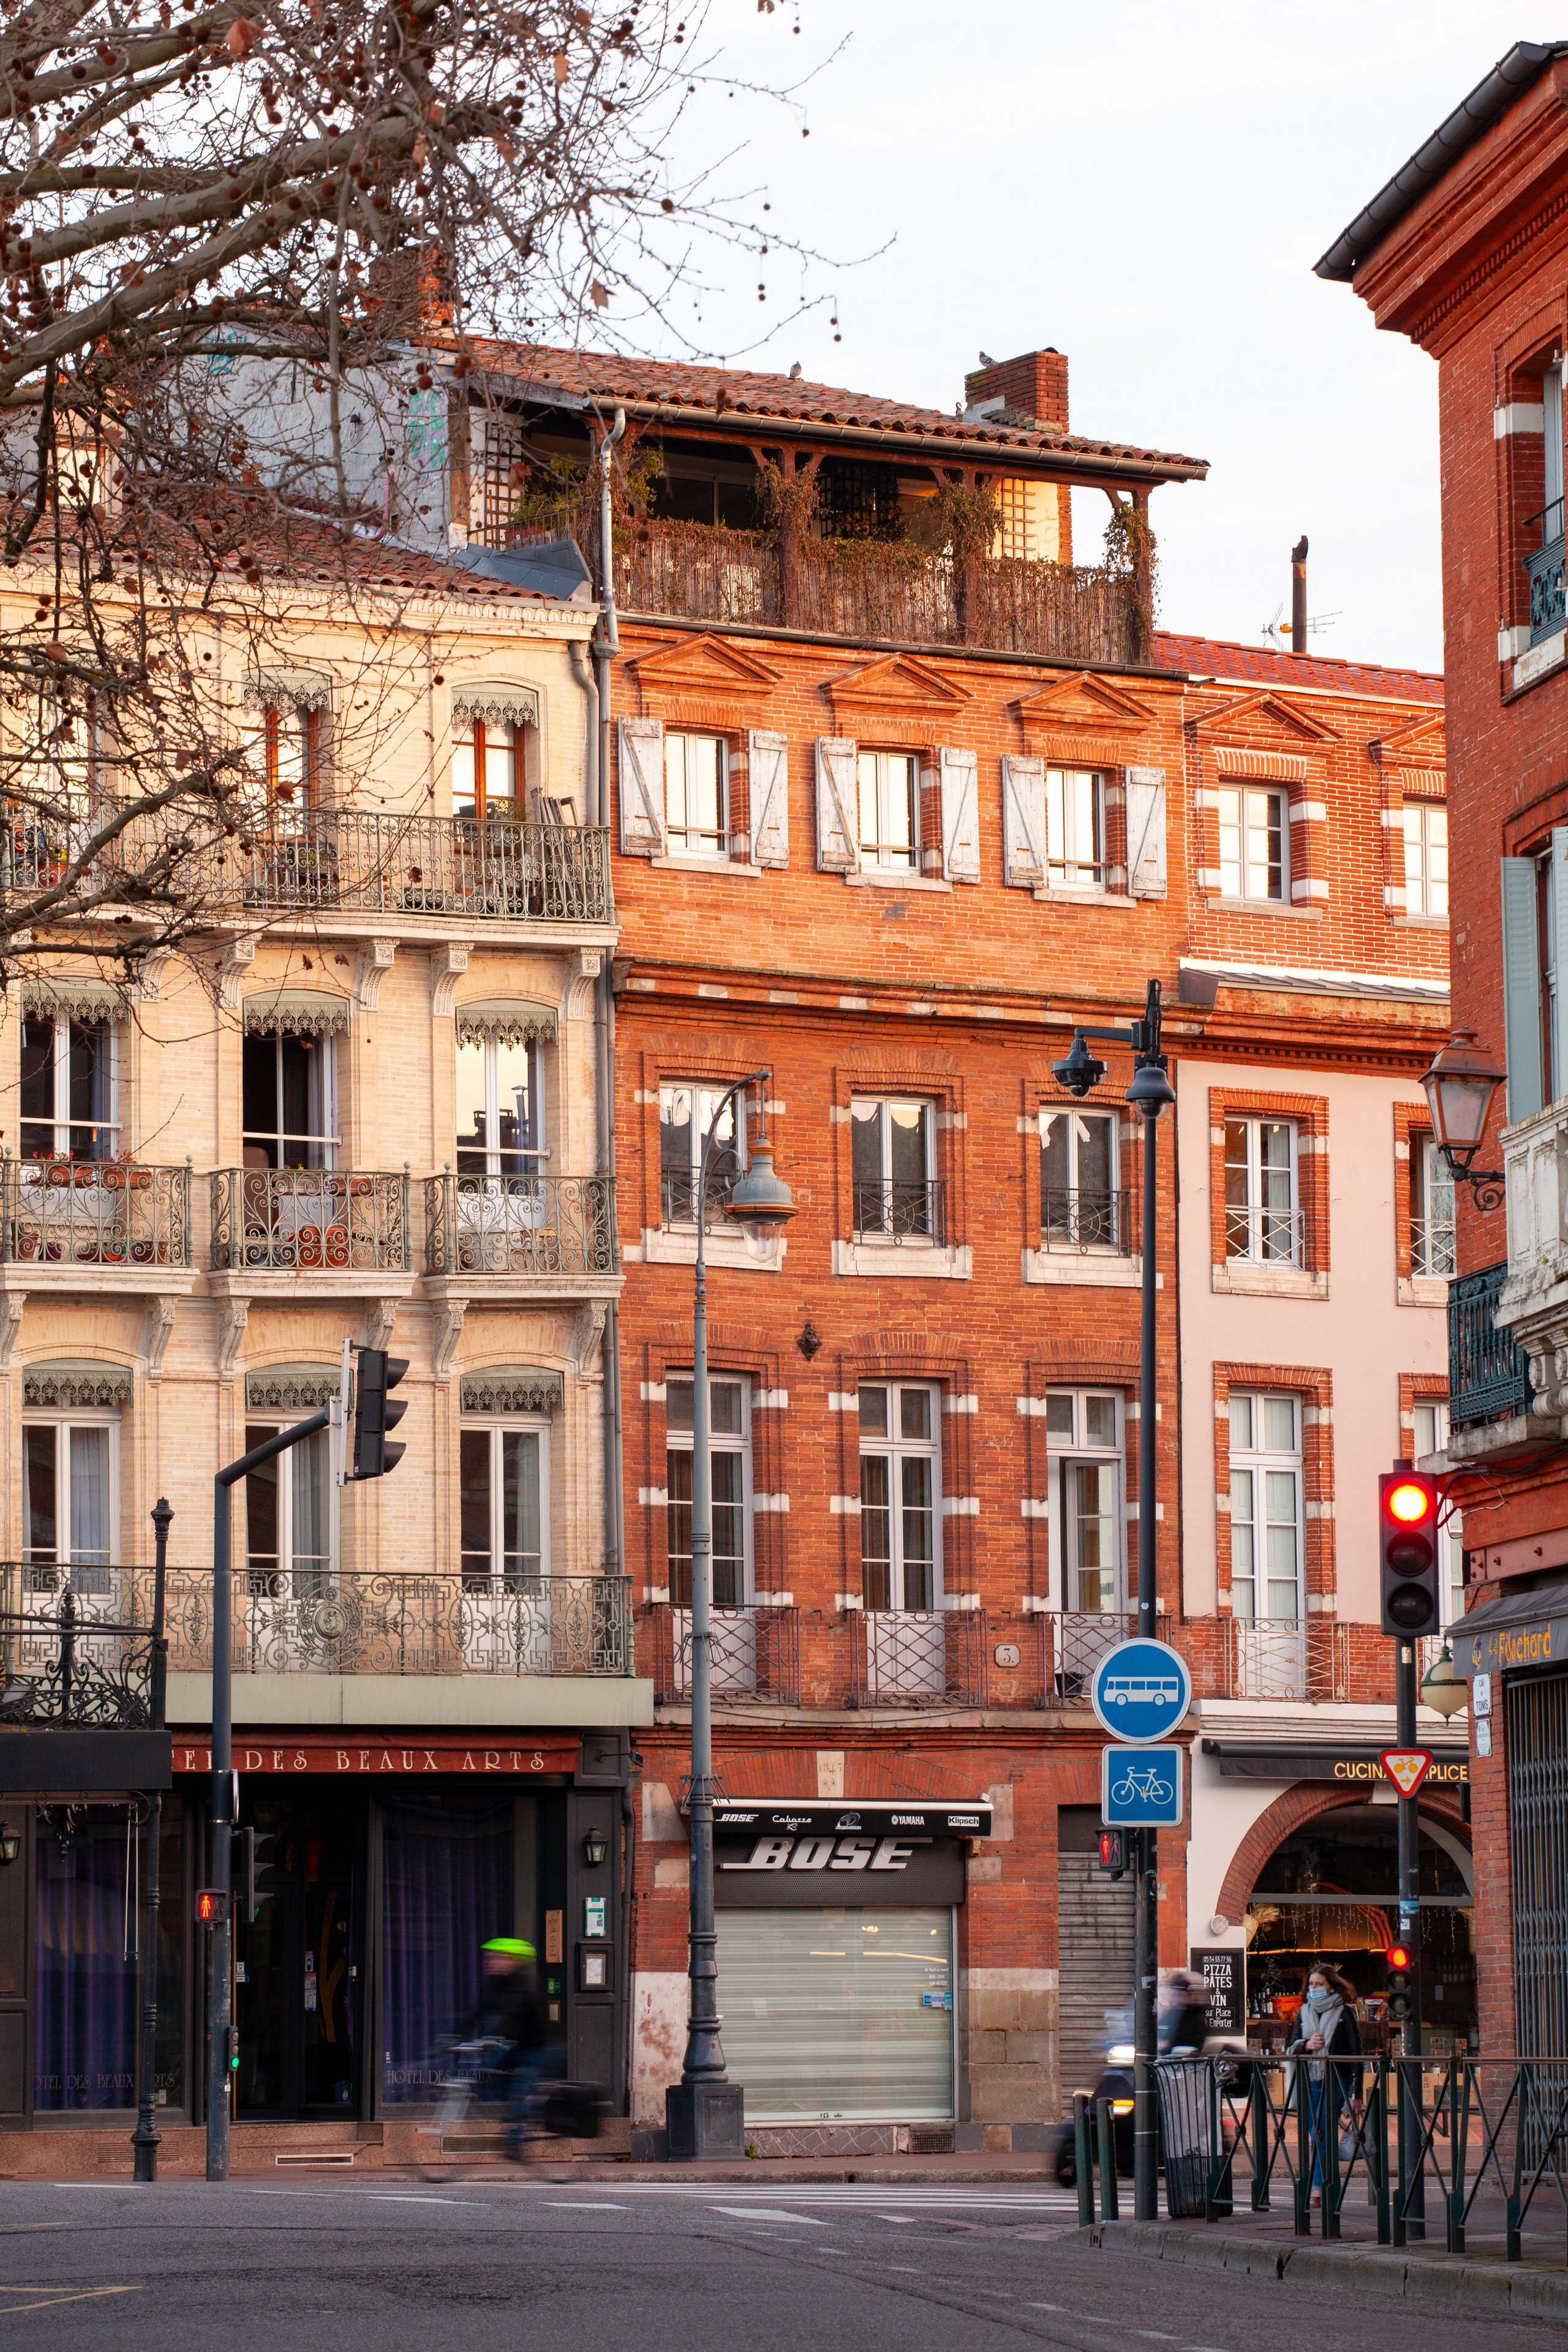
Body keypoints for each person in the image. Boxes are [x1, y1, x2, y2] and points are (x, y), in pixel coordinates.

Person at [464, 1936, 553, 2160]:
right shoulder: (498, 1984)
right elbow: (481, 2010)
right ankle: (516, 2109)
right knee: (488, 2069)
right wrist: (456, 2033)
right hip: (517, 2044)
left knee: (519, 2090)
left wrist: (491, 2038)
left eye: (496, 1957)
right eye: (489, 1957)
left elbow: (510, 2018)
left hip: (535, 2047)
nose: (490, 1961)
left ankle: (516, 2136)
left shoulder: (521, 1987)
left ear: (513, 1961)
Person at [1286, 1963, 1363, 2206]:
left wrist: (1356, 2093)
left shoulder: (1345, 2012)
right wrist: (1307, 2045)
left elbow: (1356, 2055)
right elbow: (1291, 2047)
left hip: (1336, 2081)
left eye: (1320, 1984)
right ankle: (1332, 2191)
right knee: (1317, 2136)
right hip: (1310, 2082)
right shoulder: (1304, 2011)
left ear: (1331, 1987)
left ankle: (1318, 2190)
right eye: (1311, 1984)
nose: (1314, 1988)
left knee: (1321, 2134)